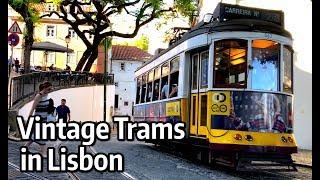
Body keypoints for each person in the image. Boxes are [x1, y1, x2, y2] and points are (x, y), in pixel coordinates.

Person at [24, 82, 53, 157]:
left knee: (35, 134)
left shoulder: (46, 94)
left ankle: (25, 147)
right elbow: (33, 108)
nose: (51, 90)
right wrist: (29, 118)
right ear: (45, 88)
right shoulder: (38, 96)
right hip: (38, 118)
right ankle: (43, 153)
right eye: (49, 88)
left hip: (44, 118)